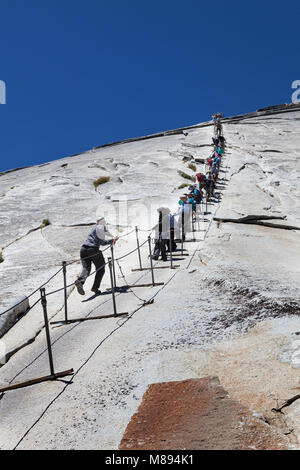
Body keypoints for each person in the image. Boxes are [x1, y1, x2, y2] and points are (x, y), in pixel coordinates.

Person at [75, 217, 119, 295]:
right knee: (101, 269)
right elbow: (102, 242)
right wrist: (112, 241)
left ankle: (80, 282)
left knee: (86, 268)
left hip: (83, 249)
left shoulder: (94, 227)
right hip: (93, 249)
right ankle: (95, 287)